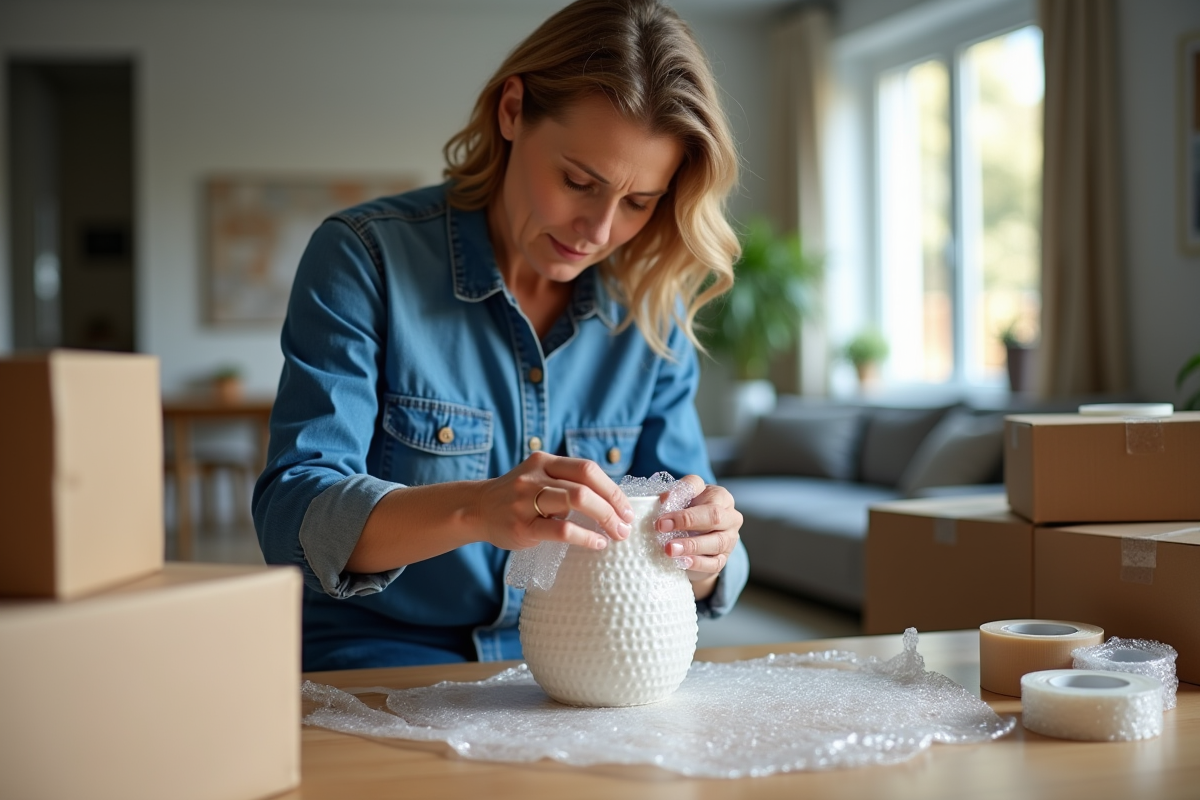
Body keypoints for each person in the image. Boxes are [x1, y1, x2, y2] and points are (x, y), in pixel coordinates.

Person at [253, 0, 749, 672]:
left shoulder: (650, 306)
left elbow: (700, 544)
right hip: (383, 655)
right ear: (511, 110)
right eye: (579, 181)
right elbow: (293, 515)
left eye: (639, 202)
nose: (598, 231)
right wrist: (475, 508)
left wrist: (708, 552)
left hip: (588, 658)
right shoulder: (364, 257)